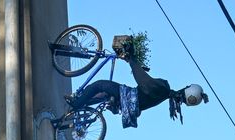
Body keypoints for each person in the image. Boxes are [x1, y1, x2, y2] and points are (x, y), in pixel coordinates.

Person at [66, 43, 208, 129]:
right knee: (104, 95)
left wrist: (132, 59)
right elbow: (146, 84)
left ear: (187, 88)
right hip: (128, 105)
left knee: (99, 85)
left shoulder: (164, 88)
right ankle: (79, 107)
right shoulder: (165, 94)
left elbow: (144, 81)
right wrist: (136, 65)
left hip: (127, 98)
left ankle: (76, 104)